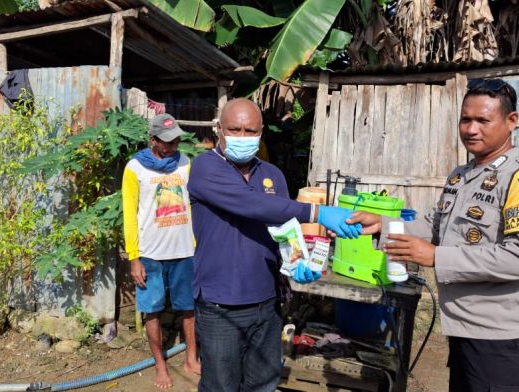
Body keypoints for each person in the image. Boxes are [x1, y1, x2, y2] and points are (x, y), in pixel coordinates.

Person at [348, 79, 519, 391]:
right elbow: (435, 226)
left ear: (511, 122)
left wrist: (434, 257)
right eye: (465, 119)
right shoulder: (461, 176)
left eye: (483, 120)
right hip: (463, 331)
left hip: (503, 340)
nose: (471, 129)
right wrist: (384, 223)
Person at [187, 98, 361, 392]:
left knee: (263, 385)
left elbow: (283, 228)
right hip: (220, 305)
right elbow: (252, 205)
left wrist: (297, 261)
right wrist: (317, 212)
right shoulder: (205, 167)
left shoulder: (272, 174)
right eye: (234, 129)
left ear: (261, 132)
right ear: (219, 129)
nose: (242, 137)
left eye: (250, 131)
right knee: (220, 386)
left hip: (266, 303)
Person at [122, 113, 201, 389]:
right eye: (167, 141)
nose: (174, 144)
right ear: (153, 141)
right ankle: (160, 366)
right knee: (152, 311)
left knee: (189, 307)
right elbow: (130, 215)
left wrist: (197, 241)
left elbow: (192, 204)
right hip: (150, 254)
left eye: (176, 139)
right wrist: (134, 257)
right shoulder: (135, 168)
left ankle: (191, 357)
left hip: (184, 250)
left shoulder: (185, 163)